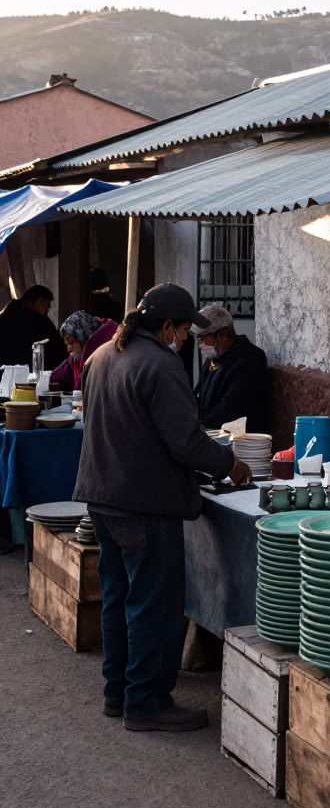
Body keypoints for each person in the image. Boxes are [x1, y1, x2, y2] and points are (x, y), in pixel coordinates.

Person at [74, 283, 252, 733]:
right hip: (144, 503)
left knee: (119, 599)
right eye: (184, 330)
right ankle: (148, 702)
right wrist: (229, 463)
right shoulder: (161, 364)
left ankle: (119, 693)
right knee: (154, 605)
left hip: (103, 497)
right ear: (167, 326)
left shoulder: (101, 357)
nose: (188, 339)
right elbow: (187, 442)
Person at [193, 303, 269, 433]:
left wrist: (202, 427)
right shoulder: (215, 358)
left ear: (222, 334)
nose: (200, 344)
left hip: (241, 441)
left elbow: (231, 408)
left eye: (202, 338)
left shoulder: (248, 362)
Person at [49, 311, 119, 392]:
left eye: (71, 343)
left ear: (82, 339)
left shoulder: (104, 354)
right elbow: (59, 375)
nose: (68, 349)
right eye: (66, 344)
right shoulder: (75, 358)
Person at [0, 284, 64, 371]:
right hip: (27, 370)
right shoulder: (32, 319)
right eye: (45, 304)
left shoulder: (12, 312)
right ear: (32, 301)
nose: (47, 309)